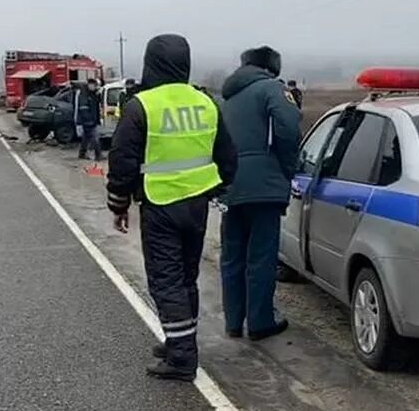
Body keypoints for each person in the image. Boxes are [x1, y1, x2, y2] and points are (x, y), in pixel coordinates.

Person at [106, 34, 237, 382]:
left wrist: (118, 204)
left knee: (166, 281)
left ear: (151, 62)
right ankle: (180, 340)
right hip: (197, 205)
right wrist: (217, 187)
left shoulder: (141, 105)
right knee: (186, 277)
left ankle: (181, 358)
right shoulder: (205, 101)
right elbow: (227, 155)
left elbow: (122, 161)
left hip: (160, 203)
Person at [219, 46, 301, 341]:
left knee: (232, 255)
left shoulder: (227, 98)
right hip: (264, 185)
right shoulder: (272, 90)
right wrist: (286, 168)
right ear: (271, 65)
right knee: (261, 256)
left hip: (230, 185)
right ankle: (260, 322)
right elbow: (288, 128)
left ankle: (233, 321)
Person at [76, 78, 103, 160]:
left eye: (96, 86)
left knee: (86, 138)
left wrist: (98, 94)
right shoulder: (84, 94)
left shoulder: (93, 94)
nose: (95, 87)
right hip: (88, 121)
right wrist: (90, 120)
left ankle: (82, 154)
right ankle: (98, 155)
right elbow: (83, 109)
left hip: (91, 121)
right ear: (89, 85)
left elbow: (97, 106)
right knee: (95, 138)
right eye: (94, 85)